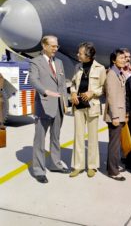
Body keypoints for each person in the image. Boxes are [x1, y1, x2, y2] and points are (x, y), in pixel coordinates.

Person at [29, 35, 69, 183]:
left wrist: (65, 102)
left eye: (56, 46)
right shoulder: (35, 62)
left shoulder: (59, 62)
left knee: (56, 138)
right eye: (52, 46)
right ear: (44, 46)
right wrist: (45, 91)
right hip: (43, 106)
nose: (55, 49)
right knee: (40, 140)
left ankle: (55, 164)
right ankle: (39, 170)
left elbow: (62, 84)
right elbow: (33, 80)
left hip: (58, 106)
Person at [69, 42, 106, 178]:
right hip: (78, 105)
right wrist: (73, 93)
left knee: (92, 137)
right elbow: (73, 83)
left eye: (80, 53)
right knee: (78, 137)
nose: (77, 55)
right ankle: (78, 166)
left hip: (92, 105)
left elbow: (103, 87)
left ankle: (92, 166)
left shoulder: (100, 68)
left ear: (88, 56)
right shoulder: (77, 67)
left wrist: (92, 92)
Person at [104, 49, 127, 181]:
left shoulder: (120, 73)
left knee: (115, 143)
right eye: (121, 58)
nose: (124, 60)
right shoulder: (112, 74)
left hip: (119, 113)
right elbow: (111, 97)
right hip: (115, 115)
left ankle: (112, 166)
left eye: (125, 58)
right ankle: (113, 171)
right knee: (114, 144)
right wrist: (115, 116)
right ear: (114, 60)